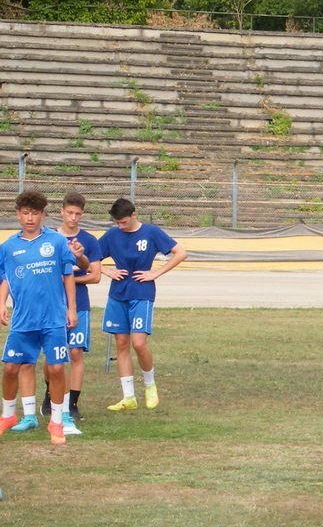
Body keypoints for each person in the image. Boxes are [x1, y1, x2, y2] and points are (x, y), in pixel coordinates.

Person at [0, 190, 80, 445]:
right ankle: (9, 415)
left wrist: (71, 309)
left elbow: (68, 274)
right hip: (23, 320)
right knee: (10, 367)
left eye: (35, 213)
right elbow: (5, 277)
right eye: (25, 213)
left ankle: (56, 421)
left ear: (43, 215)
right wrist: (1, 303)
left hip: (53, 318)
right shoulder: (8, 247)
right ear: (18, 215)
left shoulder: (56, 242)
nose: (30, 218)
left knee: (56, 367)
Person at [96, 198, 187, 412]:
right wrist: (107, 270)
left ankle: (150, 385)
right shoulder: (112, 235)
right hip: (118, 294)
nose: (121, 226)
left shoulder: (151, 232)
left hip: (142, 293)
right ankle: (128, 397)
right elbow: (90, 257)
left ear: (134, 215)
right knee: (121, 344)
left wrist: (155, 273)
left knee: (138, 342)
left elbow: (181, 253)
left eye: (124, 222)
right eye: (117, 222)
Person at [37, 192, 102, 431]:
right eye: (70, 213)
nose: (73, 218)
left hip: (80, 304)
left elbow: (94, 275)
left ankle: (72, 404)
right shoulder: (49, 238)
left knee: (75, 353)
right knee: (52, 353)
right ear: (62, 212)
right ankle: (49, 393)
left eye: (78, 214)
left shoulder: (89, 241)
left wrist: (78, 260)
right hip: (52, 305)